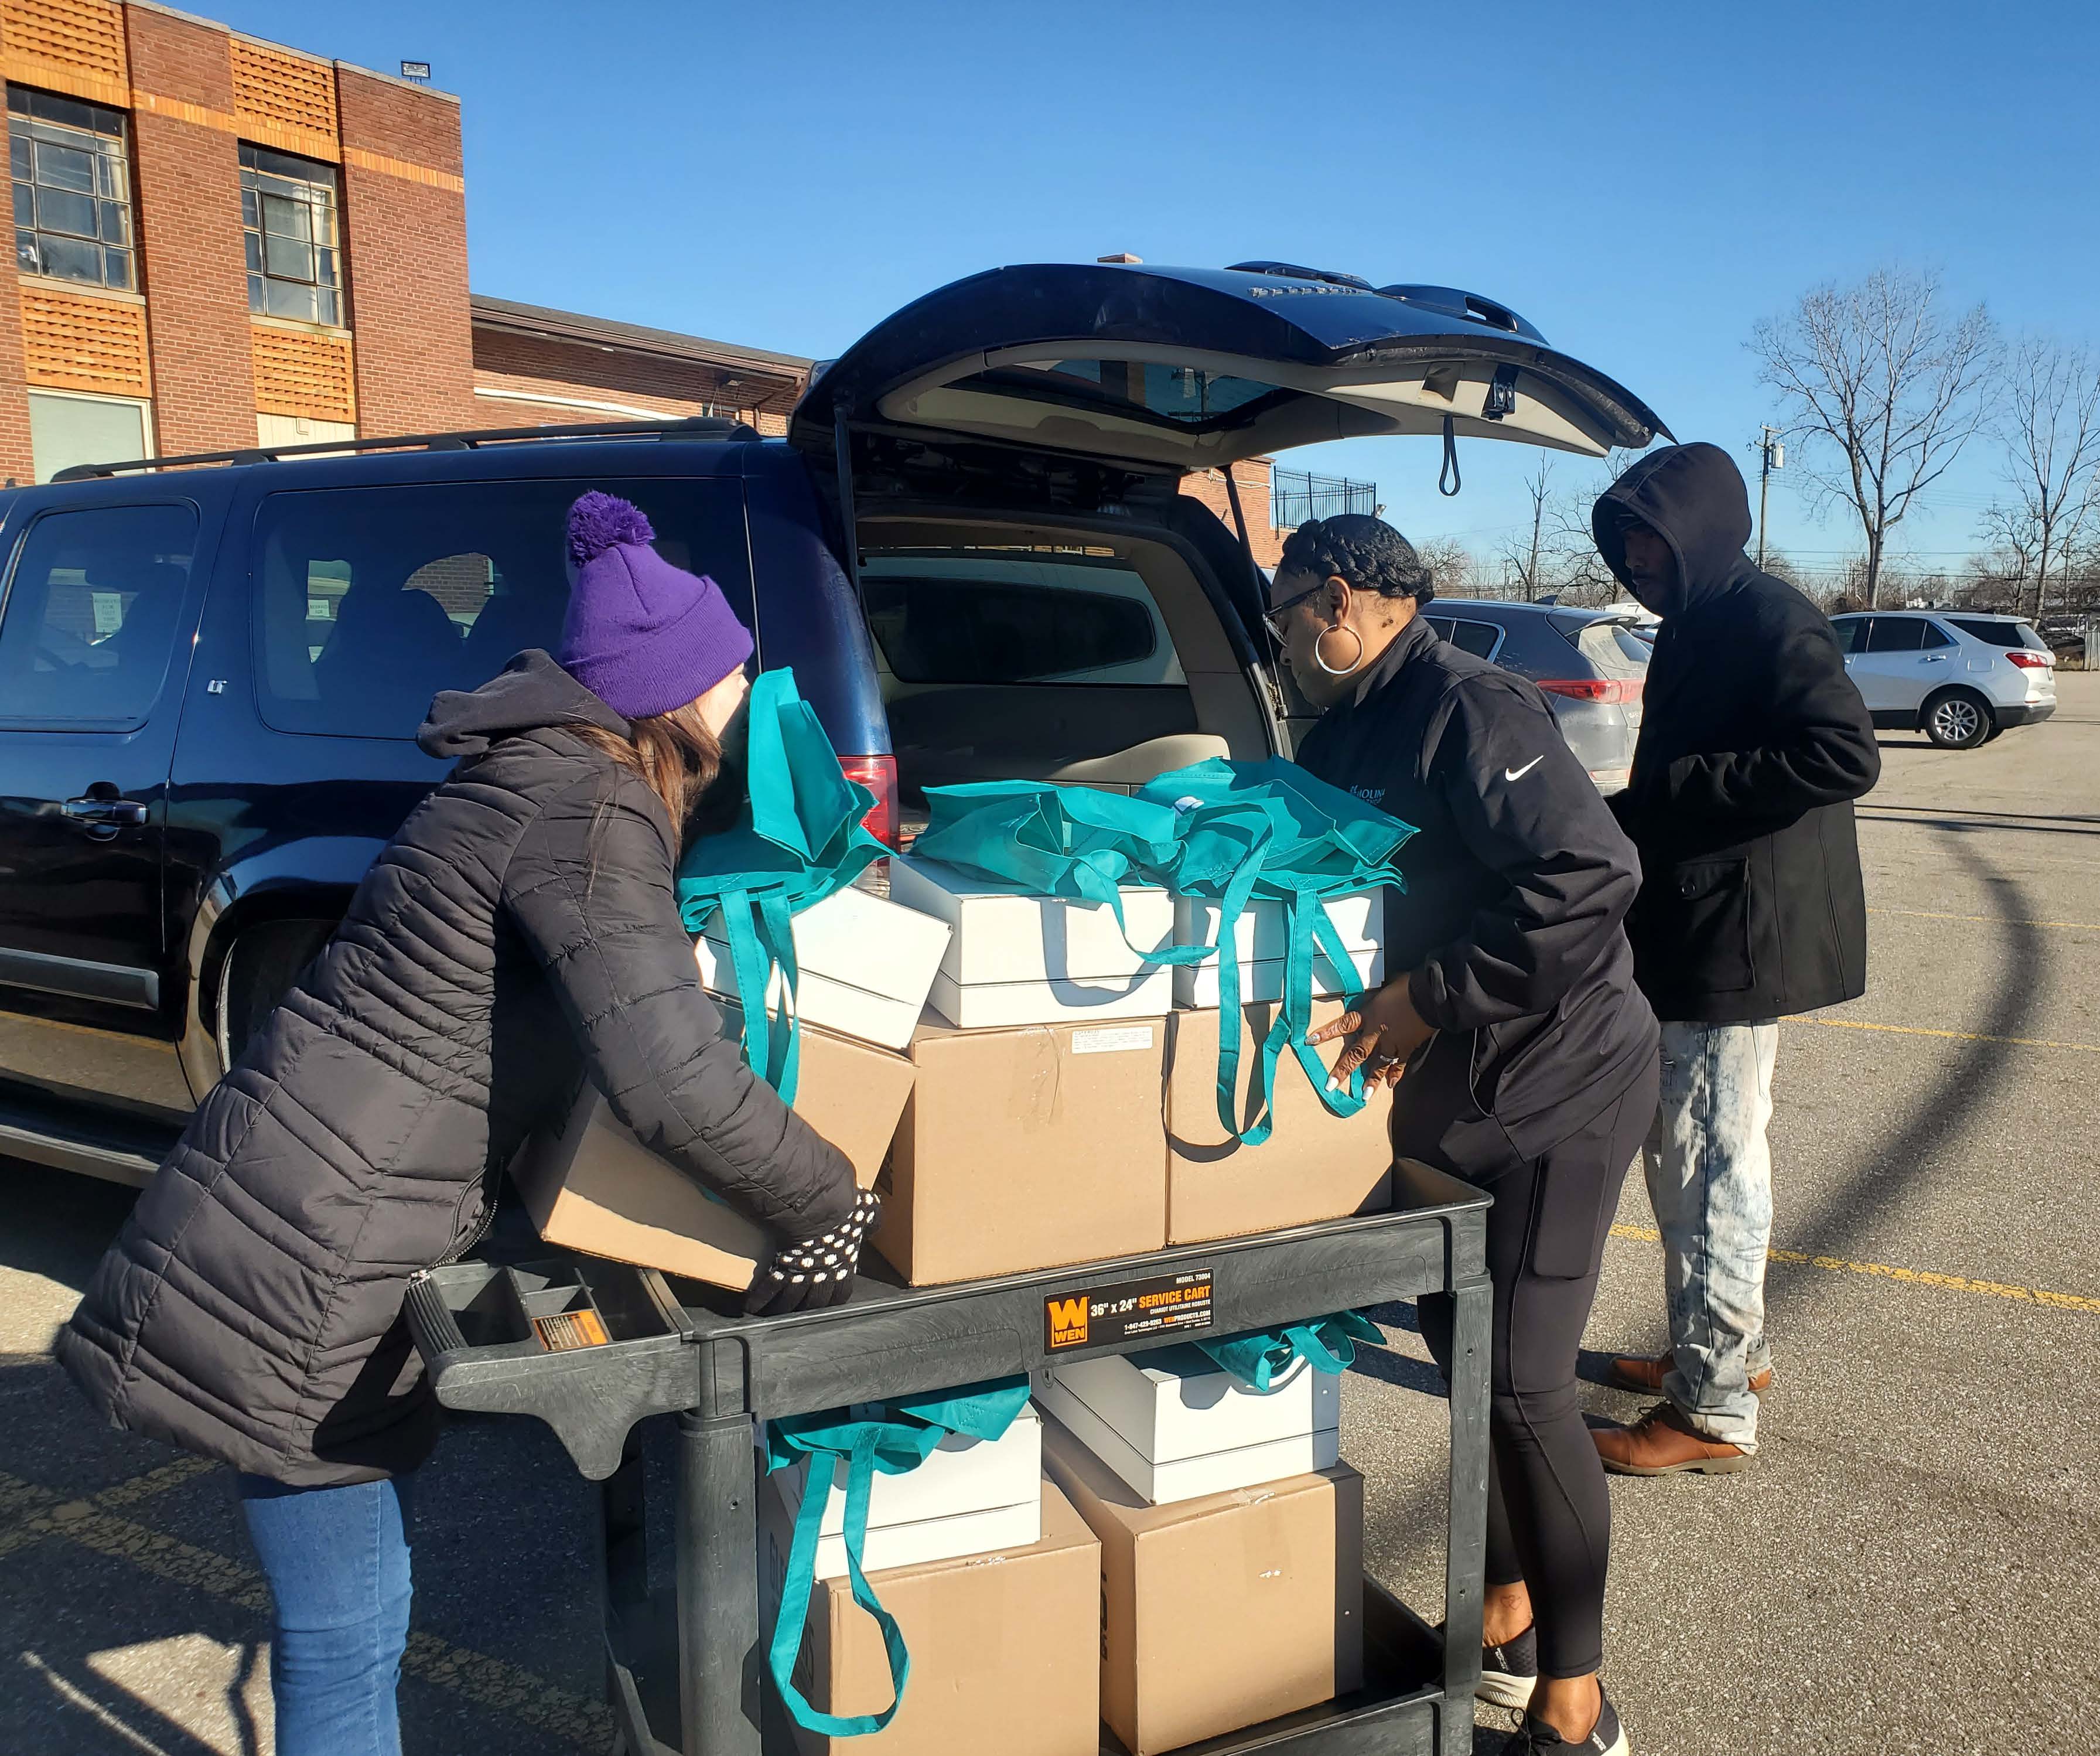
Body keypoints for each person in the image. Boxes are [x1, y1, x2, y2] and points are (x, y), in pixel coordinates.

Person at [57, 492, 878, 1756]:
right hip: (305, 1257)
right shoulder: (592, 808)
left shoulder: (530, 778)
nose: (748, 688)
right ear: (674, 691)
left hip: (295, 1213)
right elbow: (664, 1074)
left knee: (351, 1616)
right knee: (346, 1632)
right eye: (733, 669)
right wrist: (830, 1201)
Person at [1275, 515, 1658, 1756]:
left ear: (1338, 598)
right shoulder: (1346, 718)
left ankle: (1576, 1696)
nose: (1280, 645)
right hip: (1449, 1097)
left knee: (1524, 1386)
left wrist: (1424, 996)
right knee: (1468, 1365)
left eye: (1284, 617)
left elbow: (1586, 878)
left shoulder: (1467, 706)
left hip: (1559, 1087)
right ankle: (1500, 1613)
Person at [1586, 444, 1877, 1476]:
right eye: (1623, 538)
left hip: (1739, 936)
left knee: (1708, 1162)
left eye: (1650, 535)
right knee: (1694, 1150)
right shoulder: (1700, 619)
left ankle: (1708, 1411)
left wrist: (1670, 794)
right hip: (1700, 924)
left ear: (1701, 527)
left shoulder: (1767, 615)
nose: (1635, 556)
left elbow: (1843, 753)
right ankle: (1721, 1353)